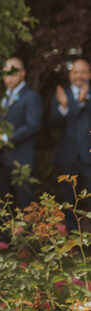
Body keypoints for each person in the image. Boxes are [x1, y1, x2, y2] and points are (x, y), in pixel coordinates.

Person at [0, 58, 42, 212]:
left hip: (21, 162)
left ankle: (26, 236)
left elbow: (32, 125)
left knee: (26, 206)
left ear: (22, 74)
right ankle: (5, 237)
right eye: (5, 72)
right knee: (3, 207)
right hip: (0, 161)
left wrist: (5, 139)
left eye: (13, 72)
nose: (8, 77)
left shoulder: (31, 97)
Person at [50, 58, 91, 231]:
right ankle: (76, 244)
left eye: (83, 72)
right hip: (67, 158)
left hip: (89, 157)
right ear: (70, 74)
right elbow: (52, 124)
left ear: (89, 74)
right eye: (76, 72)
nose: (79, 75)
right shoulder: (61, 96)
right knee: (70, 204)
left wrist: (83, 102)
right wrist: (65, 107)